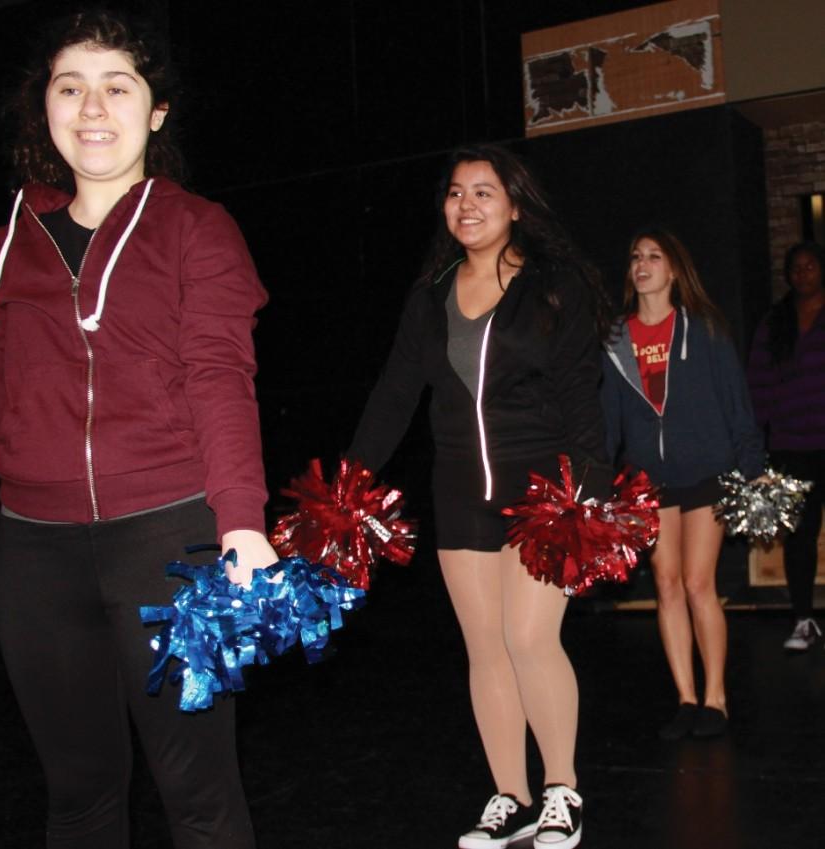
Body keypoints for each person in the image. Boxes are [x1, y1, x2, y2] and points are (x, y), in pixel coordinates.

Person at [0, 10, 277, 848]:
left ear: (155, 112)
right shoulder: (0, 250)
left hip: (168, 540)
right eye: (69, 86)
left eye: (117, 86)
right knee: (77, 797)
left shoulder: (197, 230)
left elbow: (220, 377)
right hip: (36, 558)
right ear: (43, 109)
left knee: (198, 796)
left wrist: (241, 524)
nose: (92, 106)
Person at [349, 144, 611, 849]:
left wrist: (588, 495)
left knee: (530, 637)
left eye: (484, 192)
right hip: (461, 491)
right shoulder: (428, 295)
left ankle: (562, 789)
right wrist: (349, 483)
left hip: (542, 493)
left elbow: (581, 397)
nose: (467, 205)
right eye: (457, 193)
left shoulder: (555, 285)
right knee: (486, 648)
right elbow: (394, 396)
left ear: (516, 205)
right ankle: (510, 795)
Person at [601, 228, 765, 741]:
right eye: (635, 256)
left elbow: (737, 404)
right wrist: (598, 482)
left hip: (706, 470)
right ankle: (686, 699)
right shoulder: (615, 339)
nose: (642, 263)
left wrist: (754, 468)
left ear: (674, 271)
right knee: (665, 583)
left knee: (698, 583)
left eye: (654, 256)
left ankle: (716, 698)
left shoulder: (704, 329)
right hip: (650, 480)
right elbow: (608, 420)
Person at [748, 241, 825, 652]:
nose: (803, 273)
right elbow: (758, 384)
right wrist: (757, 441)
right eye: (796, 268)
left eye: (810, 266)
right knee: (800, 536)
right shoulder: (775, 322)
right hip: (792, 446)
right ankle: (803, 619)